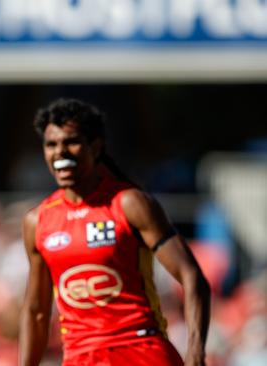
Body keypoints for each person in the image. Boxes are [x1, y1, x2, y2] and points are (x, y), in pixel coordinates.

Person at [19, 98, 210, 366]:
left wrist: (196, 351)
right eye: (51, 144)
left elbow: (191, 276)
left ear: (95, 146)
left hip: (140, 350)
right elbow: (36, 311)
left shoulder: (129, 204)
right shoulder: (37, 221)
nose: (60, 152)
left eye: (71, 141)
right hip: (79, 357)